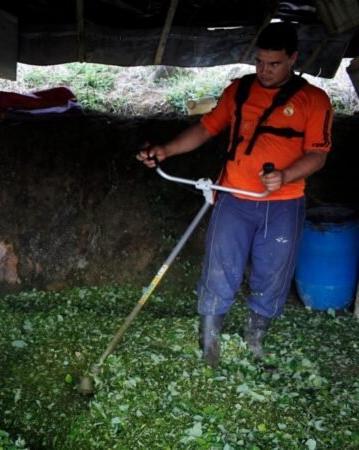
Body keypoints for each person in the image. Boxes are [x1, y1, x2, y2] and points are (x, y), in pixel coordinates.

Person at [137, 22, 332, 367]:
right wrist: (167, 149)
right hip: (232, 197)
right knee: (219, 269)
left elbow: (318, 154)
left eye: (274, 64)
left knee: (271, 274)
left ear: (293, 59)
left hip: (283, 205)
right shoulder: (240, 91)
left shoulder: (314, 100)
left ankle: (254, 340)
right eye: (259, 62)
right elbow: (205, 127)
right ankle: (209, 345)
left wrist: (285, 175)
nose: (265, 71)